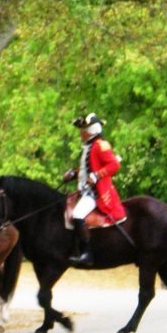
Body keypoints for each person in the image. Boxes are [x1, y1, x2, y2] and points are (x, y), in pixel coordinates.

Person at [63, 112, 126, 267]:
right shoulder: (89, 146)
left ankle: (87, 254)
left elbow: (114, 165)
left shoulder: (100, 146)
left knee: (78, 214)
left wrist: (97, 176)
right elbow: (87, 168)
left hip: (95, 192)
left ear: (91, 130)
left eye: (83, 129)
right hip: (84, 189)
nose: (80, 133)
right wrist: (75, 173)